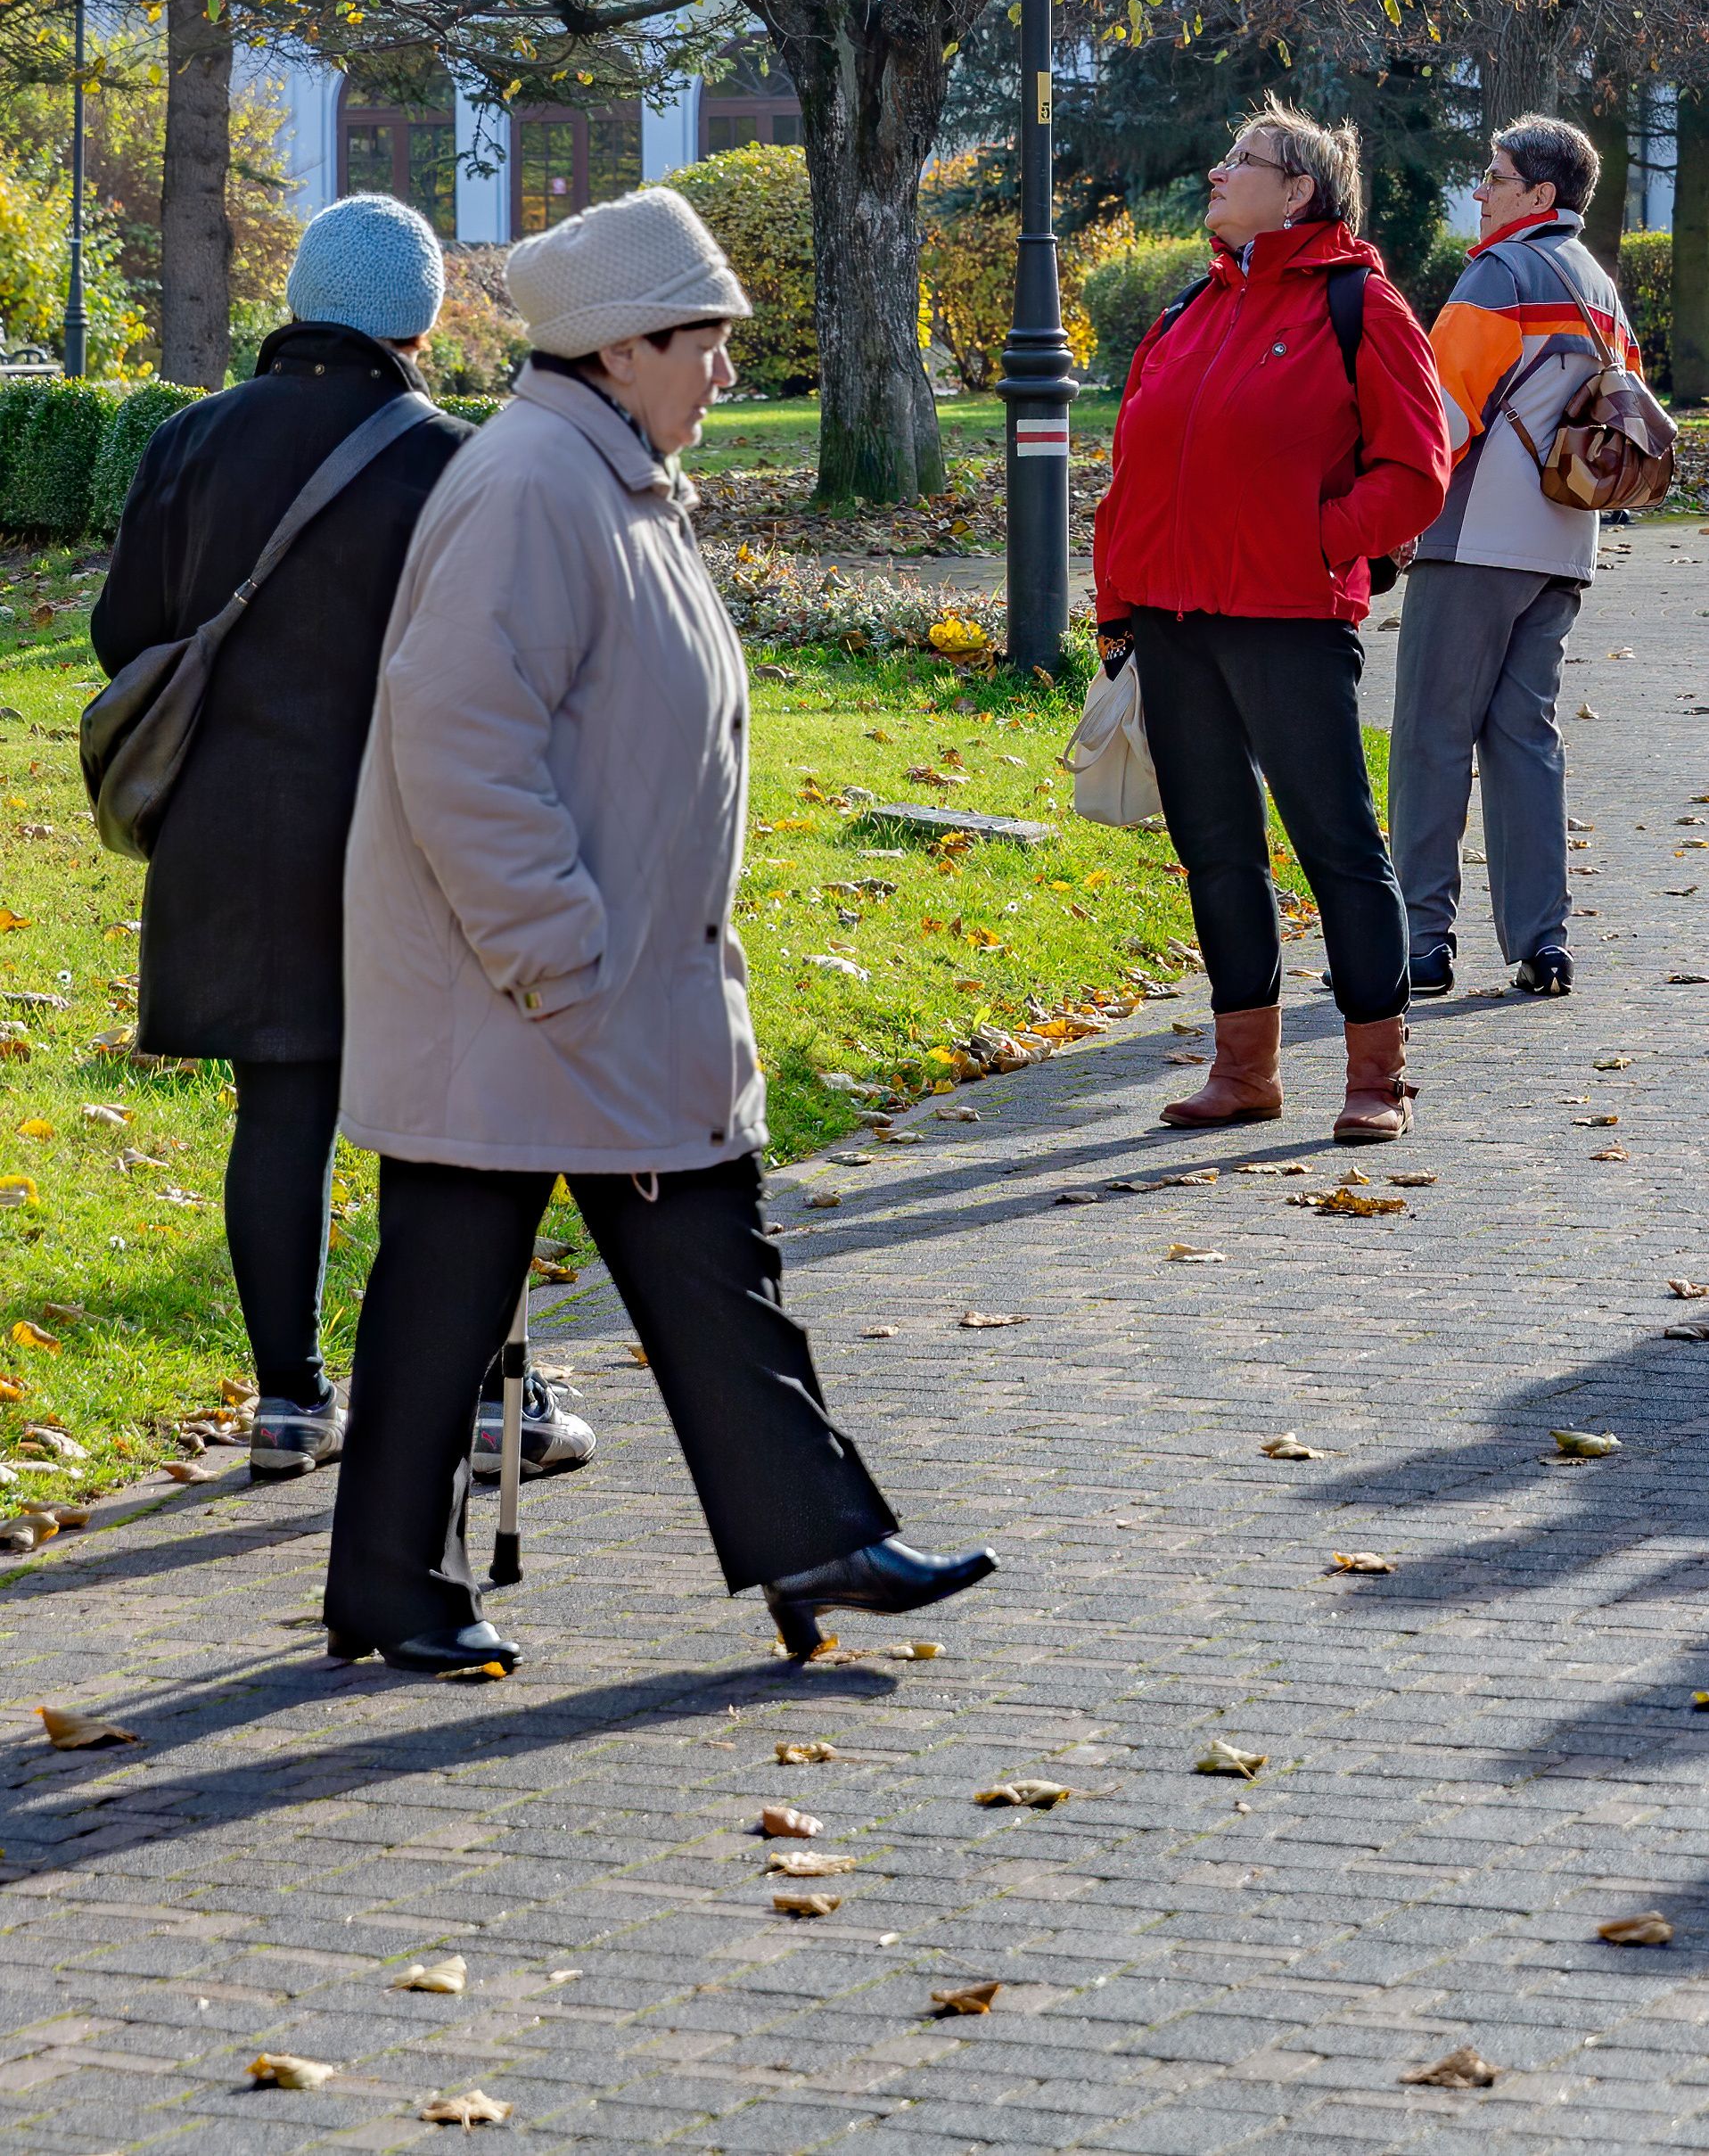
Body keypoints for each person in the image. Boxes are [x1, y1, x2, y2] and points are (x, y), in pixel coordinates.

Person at [323, 185, 997, 1675]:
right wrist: (557, 946)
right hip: (542, 994)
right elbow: (456, 740)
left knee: (679, 1260)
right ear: (624, 347)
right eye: (706, 342)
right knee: (473, 1289)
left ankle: (806, 1542)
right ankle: (400, 1581)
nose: (724, 374)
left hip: (594, 997)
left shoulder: (601, 473)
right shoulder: (535, 487)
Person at [90, 193, 594, 1488]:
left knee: (280, 1109)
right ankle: (489, 1398)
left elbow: (122, 635)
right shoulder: (455, 462)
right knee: (450, 1119)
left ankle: (286, 1403)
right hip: (409, 831)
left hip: (230, 834)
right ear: (422, 320)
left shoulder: (191, 438)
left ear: (302, 302)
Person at [1092, 101, 1450, 1142]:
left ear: (1299, 189)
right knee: (1215, 847)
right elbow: (1131, 474)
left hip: (1289, 614)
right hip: (1172, 617)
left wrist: (1321, 540)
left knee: (1336, 841)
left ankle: (1376, 1076)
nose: (1217, 170)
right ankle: (1244, 1070)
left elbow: (1418, 469)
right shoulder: (1181, 312)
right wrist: (1119, 608)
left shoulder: (1361, 305)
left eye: (1241, 159)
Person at [1389, 113, 1640, 1000]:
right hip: (1565, 542)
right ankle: (1545, 942)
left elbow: (1439, 414)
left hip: (1477, 540)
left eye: (1493, 177)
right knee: (1524, 741)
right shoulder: (1597, 284)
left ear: (1539, 194)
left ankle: (1420, 937)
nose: (1480, 191)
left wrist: (1392, 515)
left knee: (1430, 734)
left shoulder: (1499, 273)